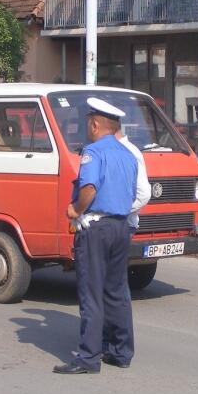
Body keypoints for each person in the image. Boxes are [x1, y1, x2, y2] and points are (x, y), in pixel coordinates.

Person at [53, 98, 138, 374]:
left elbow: (88, 188)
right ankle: (121, 352)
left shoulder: (93, 152)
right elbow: (133, 193)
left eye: (88, 123)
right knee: (117, 291)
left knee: (91, 293)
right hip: (121, 227)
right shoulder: (128, 154)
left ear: (95, 125)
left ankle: (89, 357)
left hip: (96, 229)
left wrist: (75, 209)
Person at [117, 127, 151, 233]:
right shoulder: (116, 149)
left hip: (122, 225)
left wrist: (112, 211)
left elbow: (143, 194)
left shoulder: (127, 151)